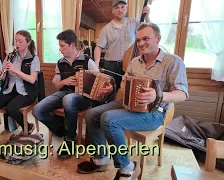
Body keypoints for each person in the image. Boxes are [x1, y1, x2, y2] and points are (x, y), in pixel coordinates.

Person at [77, 23, 189, 180]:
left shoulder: (173, 61)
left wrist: (158, 95)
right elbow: (124, 83)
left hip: (154, 112)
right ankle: (101, 158)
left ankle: (128, 166)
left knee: (108, 119)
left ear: (158, 39)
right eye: (138, 40)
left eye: (146, 38)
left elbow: (182, 94)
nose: (141, 43)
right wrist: (114, 88)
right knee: (91, 114)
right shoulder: (135, 61)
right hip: (127, 104)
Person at [32, 29, 99, 159]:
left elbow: (98, 80)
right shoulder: (60, 63)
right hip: (64, 93)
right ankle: (61, 130)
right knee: (37, 110)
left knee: (69, 99)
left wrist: (84, 83)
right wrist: (65, 81)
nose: (60, 49)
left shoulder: (87, 60)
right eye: (60, 46)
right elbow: (55, 84)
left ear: (72, 45)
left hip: (83, 96)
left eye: (62, 45)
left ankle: (70, 141)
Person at [0, 30, 40, 145]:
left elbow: (32, 79)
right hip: (10, 89)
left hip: (27, 91)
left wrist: (16, 70)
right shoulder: (10, 56)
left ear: (28, 42)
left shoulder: (33, 59)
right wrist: (1, 73)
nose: (17, 43)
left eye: (20, 41)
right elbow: (4, 73)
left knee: (11, 108)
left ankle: (27, 125)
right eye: (16, 41)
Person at [94, 0, 150, 90]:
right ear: (112, 11)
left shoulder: (134, 22)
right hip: (111, 66)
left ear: (126, 9)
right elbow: (98, 47)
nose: (120, 10)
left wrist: (146, 15)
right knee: (110, 92)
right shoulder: (106, 29)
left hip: (130, 64)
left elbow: (148, 30)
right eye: (117, 8)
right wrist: (96, 64)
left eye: (122, 7)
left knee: (128, 91)